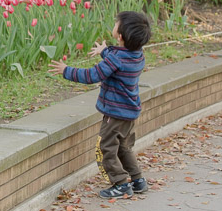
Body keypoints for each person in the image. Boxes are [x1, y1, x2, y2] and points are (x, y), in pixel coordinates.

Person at [48, 11, 152, 199]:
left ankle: (120, 183)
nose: (113, 26)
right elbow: (119, 60)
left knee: (105, 148)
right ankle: (137, 180)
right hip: (130, 112)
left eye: (116, 24)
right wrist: (104, 51)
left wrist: (66, 71)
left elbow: (92, 75)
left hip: (115, 113)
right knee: (123, 146)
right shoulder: (138, 56)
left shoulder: (116, 59)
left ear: (120, 36)